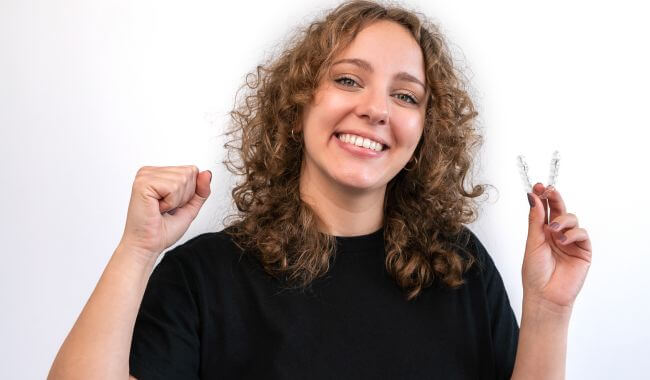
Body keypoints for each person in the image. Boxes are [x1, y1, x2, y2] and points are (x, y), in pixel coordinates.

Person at [48, 1, 593, 379]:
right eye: (348, 80)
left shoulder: (459, 267)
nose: (376, 109)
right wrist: (137, 250)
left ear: (424, 134)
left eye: (405, 96)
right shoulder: (202, 278)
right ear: (296, 107)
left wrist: (548, 310)